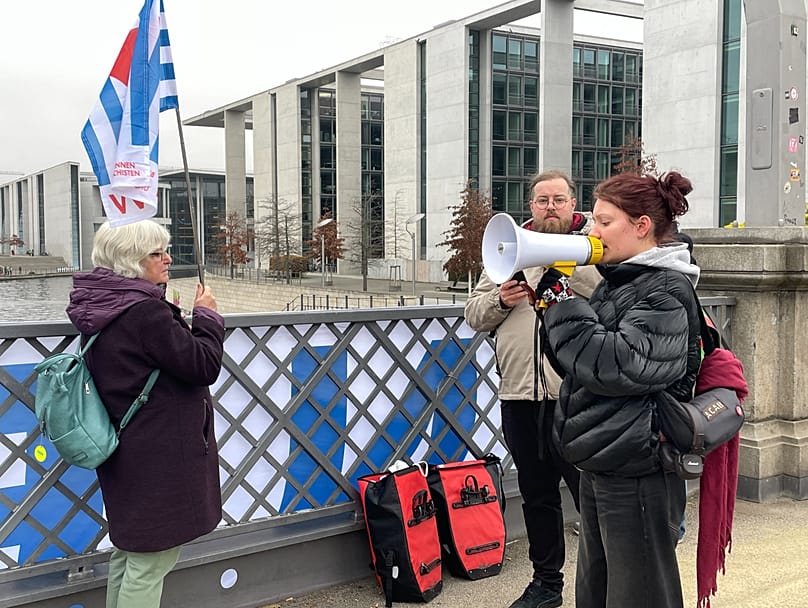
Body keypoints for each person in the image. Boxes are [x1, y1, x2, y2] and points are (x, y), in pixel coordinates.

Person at [535, 171, 702, 608]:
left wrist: (563, 307)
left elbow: (614, 366)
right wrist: (551, 311)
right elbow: (579, 365)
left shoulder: (666, 289)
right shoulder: (621, 281)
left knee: (639, 592)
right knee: (599, 587)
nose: (592, 231)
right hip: (605, 459)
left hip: (638, 467)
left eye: (604, 222)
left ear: (641, 225)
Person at [66, 220, 225, 608]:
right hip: (160, 454)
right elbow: (203, 365)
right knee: (151, 560)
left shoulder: (103, 306)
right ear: (131, 261)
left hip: (128, 444)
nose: (168, 258)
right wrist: (206, 318)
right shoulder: (145, 313)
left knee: (132, 551)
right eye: (157, 253)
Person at [464, 170, 601, 608]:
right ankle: (547, 584)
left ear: (572, 203)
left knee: (592, 494)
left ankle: (612, 577)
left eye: (558, 200)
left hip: (576, 396)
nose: (550, 208)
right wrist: (501, 299)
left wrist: (565, 268)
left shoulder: (593, 249)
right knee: (538, 495)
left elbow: (608, 305)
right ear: (531, 206)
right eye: (542, 201)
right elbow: (474, 314)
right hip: (521, 396)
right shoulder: (509, 250)